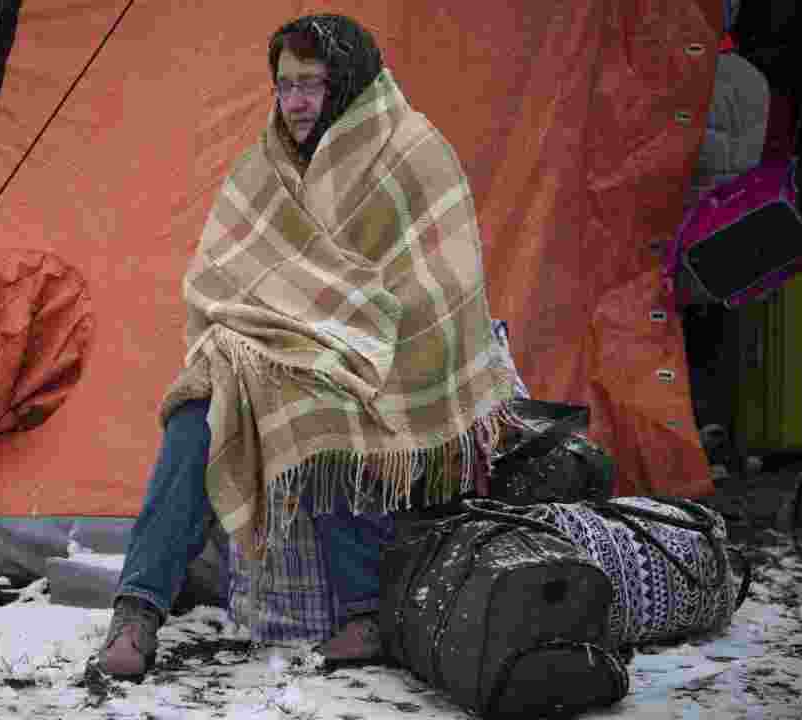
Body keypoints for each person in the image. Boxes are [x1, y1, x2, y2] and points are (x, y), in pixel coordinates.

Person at [92, 14, 518, 680]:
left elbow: (438, 287)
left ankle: (363, 613)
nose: (293, 103)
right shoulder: (271, 161)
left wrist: (332, 333)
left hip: (382, 357)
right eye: (284, 85)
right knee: (198, 408)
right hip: (279, 348)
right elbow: (224, 271)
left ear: (346, 83)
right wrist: (266, 331)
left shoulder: (410, 151)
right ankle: (138, 609)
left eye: (311, 85)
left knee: (327, 407)